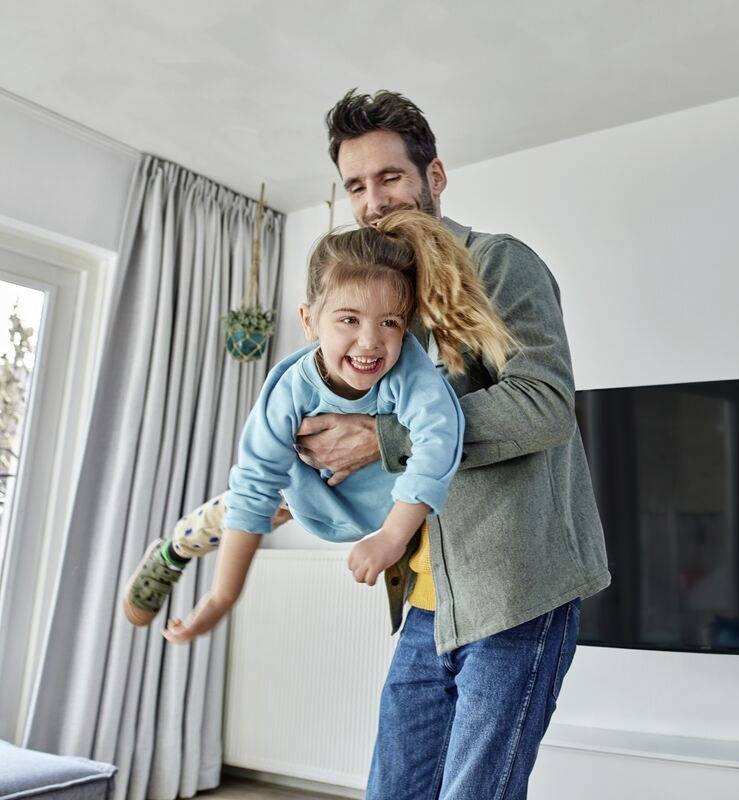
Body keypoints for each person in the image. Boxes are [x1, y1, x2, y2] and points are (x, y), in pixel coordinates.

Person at [288, 90, 611, 800]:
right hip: (430, 605)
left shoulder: (499, 265)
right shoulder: (384, 308)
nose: (374, 201)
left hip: (516, 597)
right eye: (355, 186)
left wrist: (383, 438)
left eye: (390, 177)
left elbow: (544, 405)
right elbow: (376, 449)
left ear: (433, 177)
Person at [121, 209, 514, 646]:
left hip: (383, 505)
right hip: (302, 490)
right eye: (349, 319)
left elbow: (439, 441)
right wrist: (220, 600)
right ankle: (172, 551)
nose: (370, 341)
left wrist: (391, 535)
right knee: (234, 508)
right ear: (309, 321)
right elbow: (255, 488)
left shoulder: (410, 370)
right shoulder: (287, 392)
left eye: (389, 322)